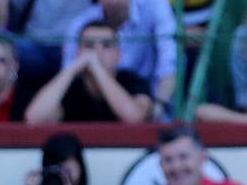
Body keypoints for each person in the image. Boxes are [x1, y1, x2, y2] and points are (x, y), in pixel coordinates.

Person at [62, 0, 177, 113]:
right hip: (96, 106)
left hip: (151, 102)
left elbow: (169, 64)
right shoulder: (80, 24)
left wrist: (159, 107)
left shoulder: (155, 6)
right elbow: (69, 75)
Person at [25, 19, 153, 123]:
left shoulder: (133, 81)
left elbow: (134, 118)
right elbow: (34, 119)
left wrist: (97, 69)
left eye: (106, 46)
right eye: (89, 46)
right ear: (78, 53)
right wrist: (72, 69)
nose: (97, 53)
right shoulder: (67, 85)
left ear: (118, 54)